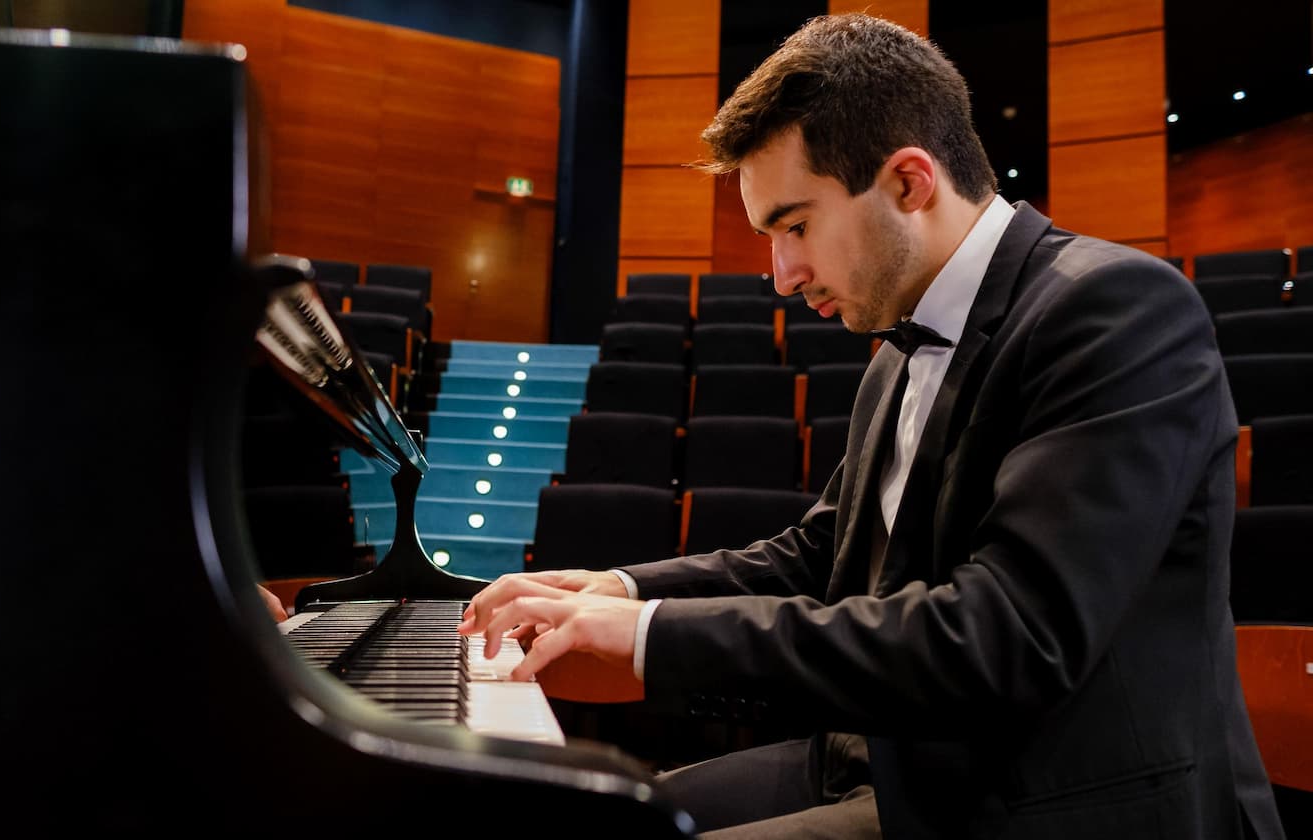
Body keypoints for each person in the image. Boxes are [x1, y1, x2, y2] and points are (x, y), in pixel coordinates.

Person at [459, 14, 1283, 840]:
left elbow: (1011, 637)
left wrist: (647, 636)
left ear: (909, 183)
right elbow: (825, 554)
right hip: (888, 761)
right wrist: (624, 589)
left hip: (1046, 797)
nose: (783, 276)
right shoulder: (896, 342)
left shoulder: (1115, 311)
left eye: (796, 226)